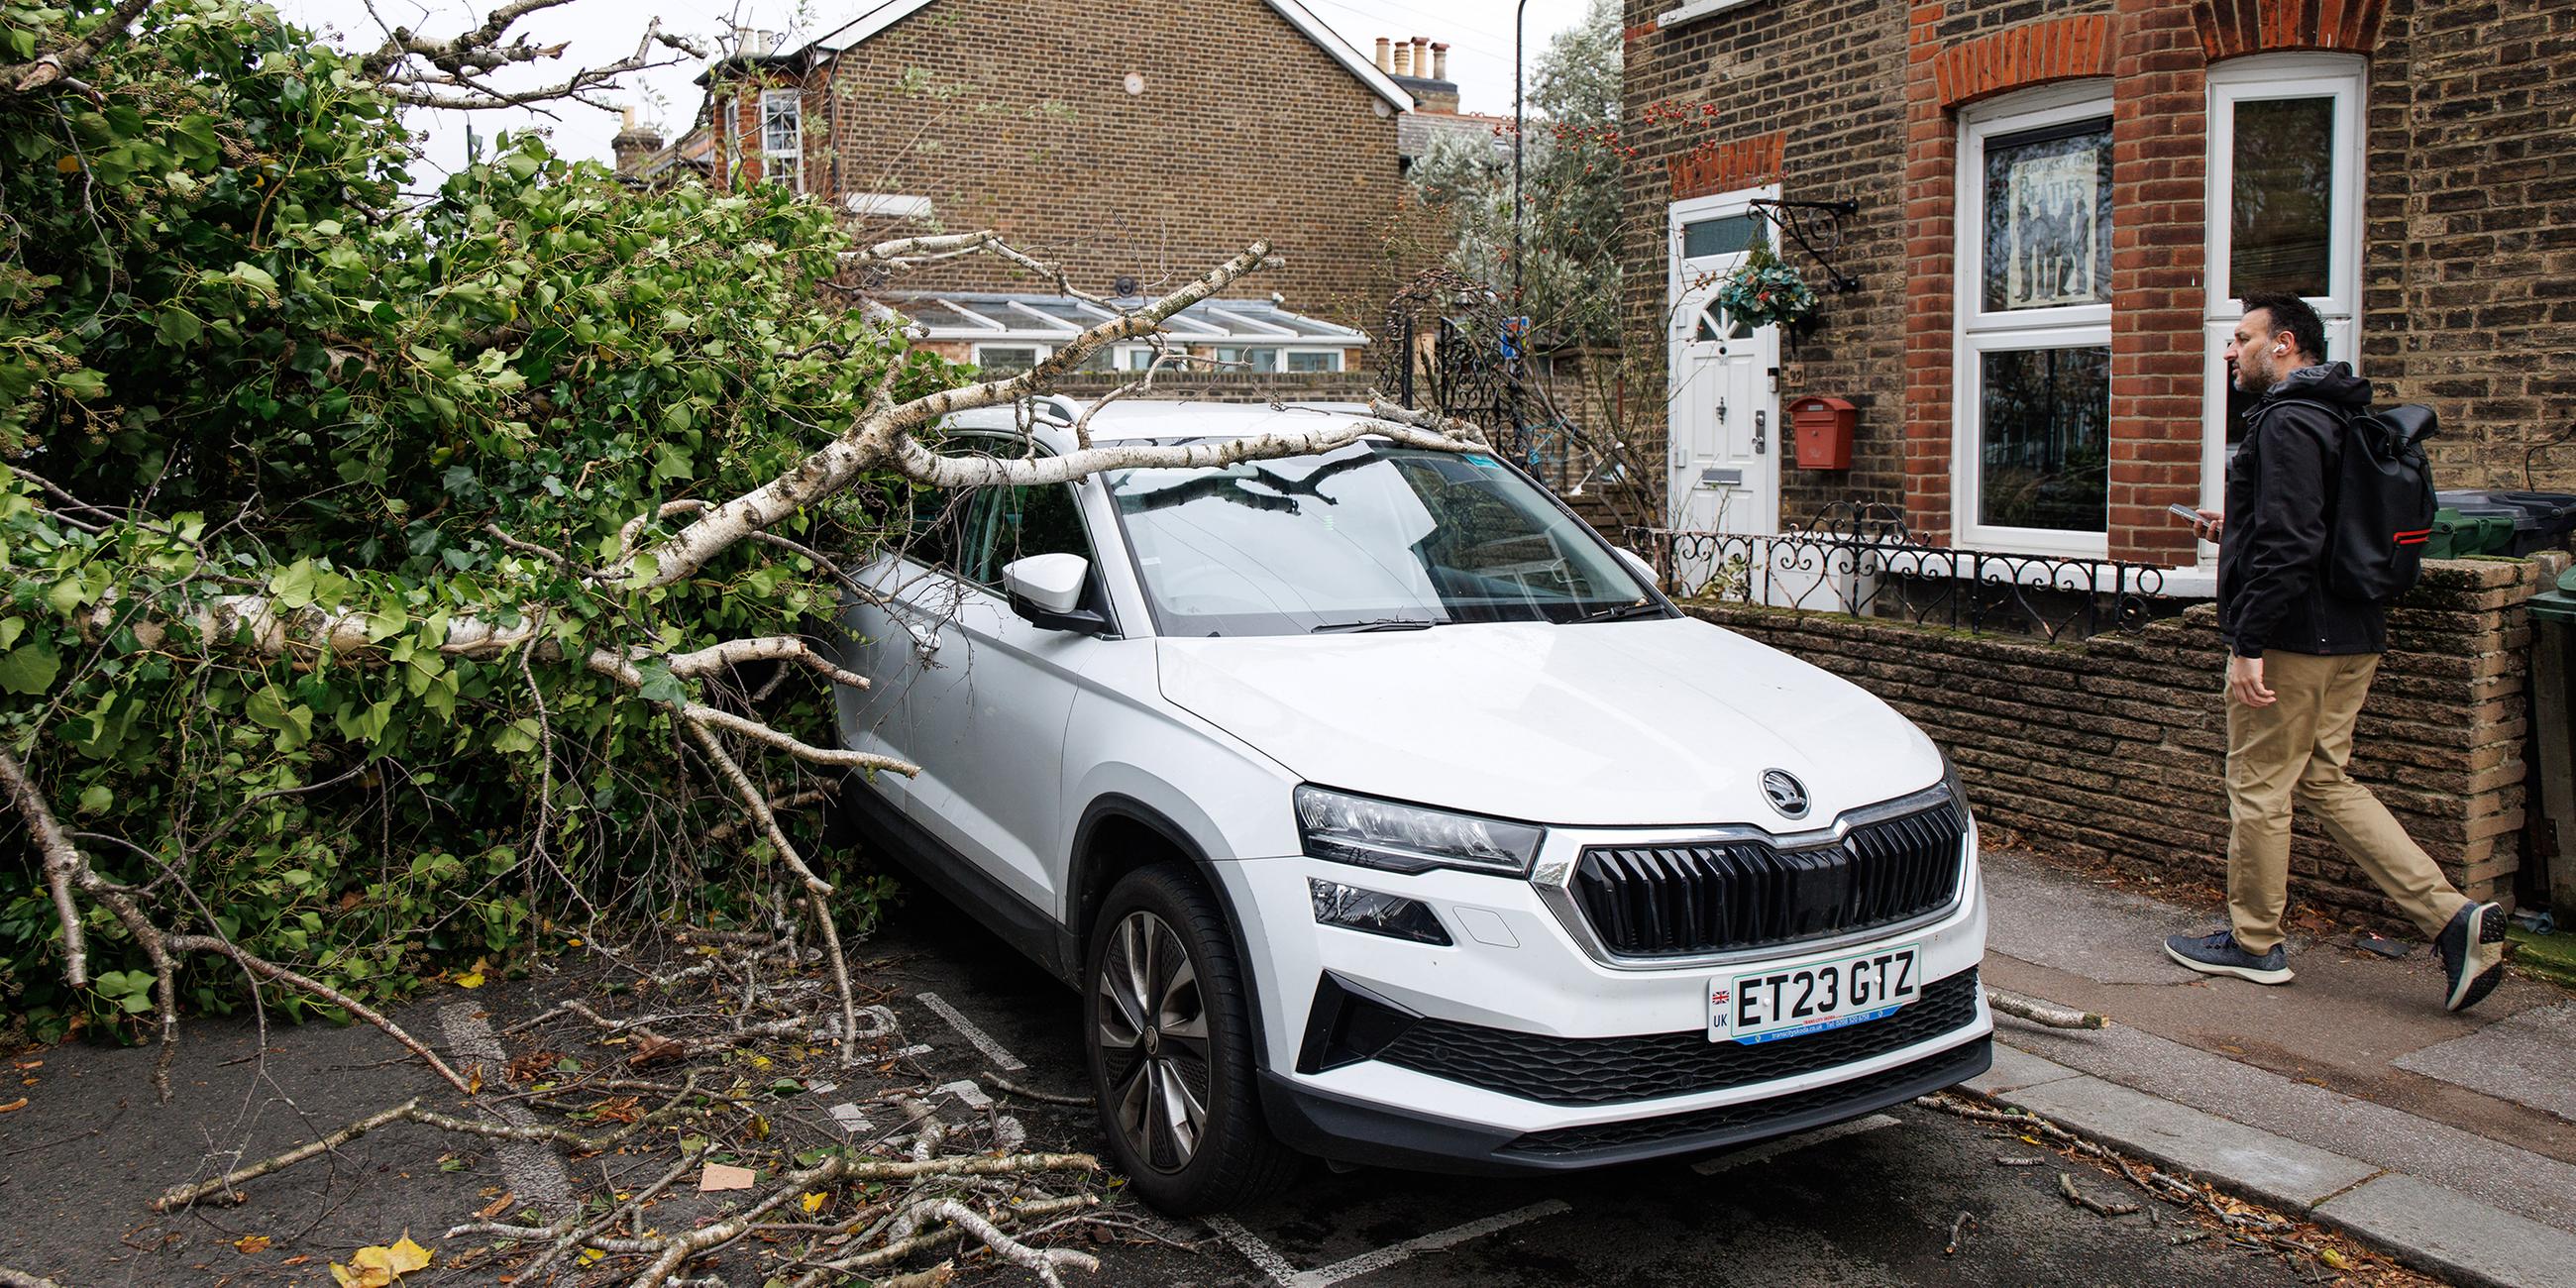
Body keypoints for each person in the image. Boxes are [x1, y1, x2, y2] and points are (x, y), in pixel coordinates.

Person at [2164, 290, 2507, 1013]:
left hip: (2293, 640)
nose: (2230, 352)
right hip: (2355, 632)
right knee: (2325, 780)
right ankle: (2452, 919)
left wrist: (2248, 641)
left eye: (2241, 338)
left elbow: (2294, 541)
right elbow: (2319, 523)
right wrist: (2240, 524)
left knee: (2258, 787)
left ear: (2283, 344)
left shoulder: (2287, 418)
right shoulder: (2346, 411)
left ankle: (2253, 943)